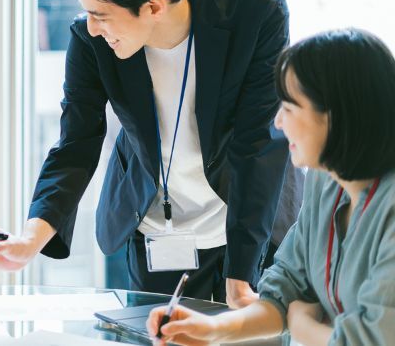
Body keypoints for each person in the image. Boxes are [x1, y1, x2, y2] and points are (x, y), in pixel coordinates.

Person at [0, 0, 297, 306]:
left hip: (247, 222)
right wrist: (29, 240)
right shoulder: (90, 40)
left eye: (101, 14)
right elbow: (76, 144)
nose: (93, 28)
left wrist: (240, 276)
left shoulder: (255, 14)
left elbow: (258, 143)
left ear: (153, 5)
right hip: (155, 229)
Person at [147, 28, 395, 346]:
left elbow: (373, 339)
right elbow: (286, 287)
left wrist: (301, 325)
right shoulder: (326, 180)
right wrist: (211, 330)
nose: (278, 123)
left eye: (289, 109)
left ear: (337, 117)